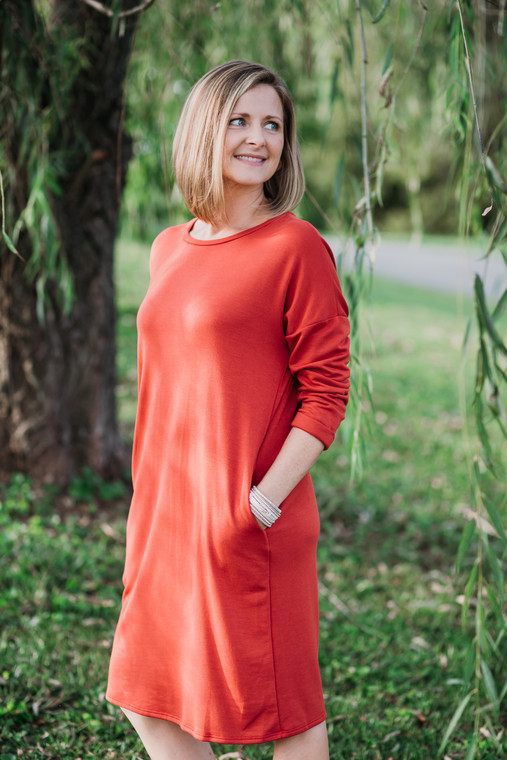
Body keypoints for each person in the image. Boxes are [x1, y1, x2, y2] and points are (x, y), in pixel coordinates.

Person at [106, 60, 350, 760]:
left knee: (285, 710)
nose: (257, 138)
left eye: (271, 124)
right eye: (239, 120)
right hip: (165, 517)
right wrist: (150, 507)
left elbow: (326, 393)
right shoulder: (168, 247)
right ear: (203, 130)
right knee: (146, 693)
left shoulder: (295, 248)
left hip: (250, 518)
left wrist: (260, 504)